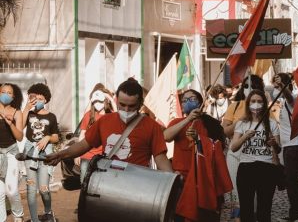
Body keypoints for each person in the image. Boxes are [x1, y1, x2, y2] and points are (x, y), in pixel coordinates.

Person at [45, 78, 173, 173]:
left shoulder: (151, 126)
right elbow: (84, 145)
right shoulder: (104, 121)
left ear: (140, 103)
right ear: (116, 100)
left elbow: (160, 158)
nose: (126, 110)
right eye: (122, 105)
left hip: (137, 186)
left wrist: (171, 179)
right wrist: (61, 154)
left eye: (132, 106)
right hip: (106, 182)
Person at [164, 89, 232, 222]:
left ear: (201, 103)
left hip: (204, 180)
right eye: (184, 100)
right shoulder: (176, 122)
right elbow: (166, 137)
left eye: (192, 99)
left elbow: (218, 148)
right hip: (181, 181)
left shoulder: (212, 124)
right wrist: (188, 119)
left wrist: (199, 139)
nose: (188, 102)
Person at [230, 89, 280, 222]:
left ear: (264, 104)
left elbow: (278, 149)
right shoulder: (242, 123)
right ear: (248, 103)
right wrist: (244, 137)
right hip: (246, 168)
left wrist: (273, 143)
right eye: (253, 101)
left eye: (259, 101)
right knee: (246, 210)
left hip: (267, 169)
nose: (256, 104)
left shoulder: (272, 123)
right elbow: (234, 147)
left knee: (265, 210)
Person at [221, 74, 265, 222]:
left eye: (253, 86)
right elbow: (225, 131)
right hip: (235, 154)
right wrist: (242, 119)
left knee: (254, 193)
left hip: (256, 156)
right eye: (246, 86)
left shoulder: (265, 107)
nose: (249, 89)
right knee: (236, 192)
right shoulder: (235, 106)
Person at [274, 73, 298, 222]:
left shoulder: (292, 99)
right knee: (291, 181)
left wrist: (283, 86)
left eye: (277, 86)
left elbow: (289, 96)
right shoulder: (281, 103)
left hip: (294, 146)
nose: (275, 89)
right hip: (288, 147)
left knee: (292, 180)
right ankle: (295, 212)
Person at [22, 83, 60, 222]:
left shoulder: (51, 116)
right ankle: (34, 219)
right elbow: (20, 127)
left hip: (44, 156)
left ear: (46, 100)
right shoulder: (28, 113)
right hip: (29, 154)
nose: (38, 100)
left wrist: (48, 137)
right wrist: (26, 107)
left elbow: (56, 137)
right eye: (35, 98)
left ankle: (48, 212)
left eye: (41, 98)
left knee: (44, 189)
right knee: (31, 189)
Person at [0, 83, 24, 222]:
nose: (6, 95)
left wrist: (10, 123)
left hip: (11, 153)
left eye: (9, 93)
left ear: (13, 96)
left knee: (11, 190)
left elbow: (20, 136)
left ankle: (18, 216)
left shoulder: (17, 112)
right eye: (3, 92)